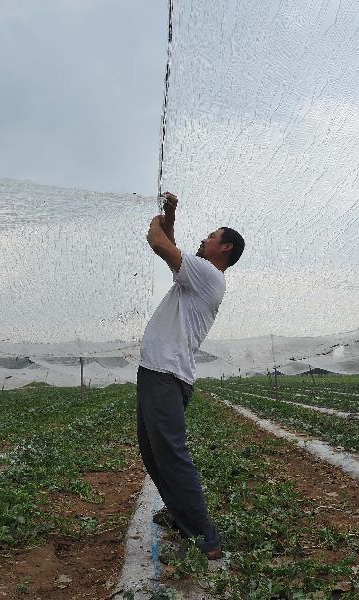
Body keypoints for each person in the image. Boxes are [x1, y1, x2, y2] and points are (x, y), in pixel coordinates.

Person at [137, 191, 245, 560]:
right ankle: (181, 516)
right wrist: (170, 211)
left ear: (225, 247)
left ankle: (205, 539)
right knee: (154, 454)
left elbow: (159, 242)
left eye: (211, 236)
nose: (204, 239)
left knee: (171, 455)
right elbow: (170, 241)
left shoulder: (208, 274)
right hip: (158, 372)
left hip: (166, 375)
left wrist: (155, 220)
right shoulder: (198, 275)